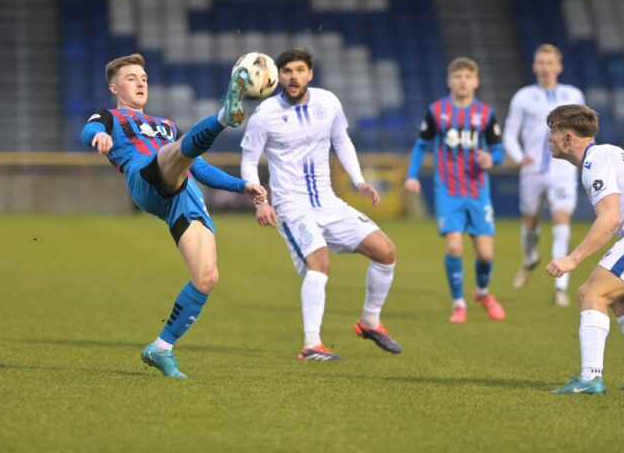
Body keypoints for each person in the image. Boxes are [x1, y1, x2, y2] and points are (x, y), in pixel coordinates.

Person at [80, 53, 267, 379]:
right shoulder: (110, 117)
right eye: (131, 79)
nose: (140, 83)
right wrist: (97, 136)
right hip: (145, 179)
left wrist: (241, 185)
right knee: (175, 152)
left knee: (207, 277)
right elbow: (90, 128)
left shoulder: (166, 125)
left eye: (144, 78)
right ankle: (223, 117)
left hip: (185, 197)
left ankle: (161, 348)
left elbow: (196, 164)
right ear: (114, 87)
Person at [240, 48, 402, 361]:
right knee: (320, 263)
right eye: (287, 71)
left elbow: (342, 141)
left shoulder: (328, 102)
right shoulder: (265, 114)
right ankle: (311, 344)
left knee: (386, 251)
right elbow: (248, 161)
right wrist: (261, 201)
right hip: (291, 205)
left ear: (310, 74)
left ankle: (370, 322)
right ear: (277, 76)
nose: (293, 76)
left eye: (299, 70)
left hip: (328, 201)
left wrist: (359, 181)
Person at [545, 104, 624, 394]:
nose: (549, 140)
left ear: (568, 138)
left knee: (591, 292)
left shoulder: (596, 162)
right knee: (614, 294)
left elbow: (609, 218)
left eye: (553, 133)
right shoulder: (608, 154)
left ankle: (590, 378)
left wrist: (573, 258)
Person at [404, 57, 506, 323]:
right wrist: (412, 175)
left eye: (467, 77)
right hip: (447, 191)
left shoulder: (485, 113)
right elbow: (420, 145)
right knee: (454, 246)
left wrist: (490, 160)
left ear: (476, 81)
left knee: (485, 253)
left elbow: (497, 151)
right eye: (458, 76)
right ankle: (459, 303)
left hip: (477, 191)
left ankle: (482, 293)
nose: (463, 81)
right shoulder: (437, 111)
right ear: (450, 81)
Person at [504, 44, 586, 307]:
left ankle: (560, 287)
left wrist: (582, 160)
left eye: (550, 62)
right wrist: (519, 158)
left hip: (563, 170)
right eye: (541, 62)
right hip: (532, 172)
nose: (545, 67)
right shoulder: (523, 96)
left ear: (559, 67)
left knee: (561, 221)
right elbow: (509, 133)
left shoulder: (573, 94)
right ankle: (529, 259)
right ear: (534, 66)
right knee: (530, 223)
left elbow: (584, 132)